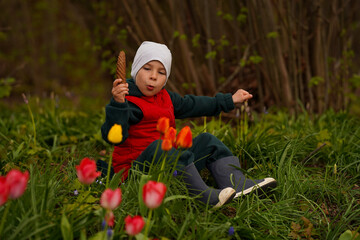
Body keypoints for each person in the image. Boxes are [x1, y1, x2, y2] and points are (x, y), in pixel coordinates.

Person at [101, 41, 276, 207]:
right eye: (147, 69)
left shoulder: (166, 97)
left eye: (161, 72)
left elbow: (194, 104)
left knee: (207, 141)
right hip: (137, 172)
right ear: (136, 70)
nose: (153, 76)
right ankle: (203, 196)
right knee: (162, 147)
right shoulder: (126, 100)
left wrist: (229, 100)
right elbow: (114, 136)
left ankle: (237, 183)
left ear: (166, 78)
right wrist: (118, 104)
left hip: (168, 166)